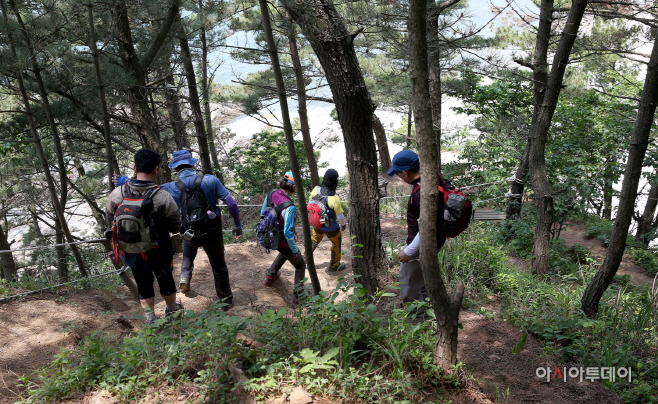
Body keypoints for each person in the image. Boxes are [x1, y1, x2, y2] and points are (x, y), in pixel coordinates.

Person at [114, 150, 242, 310]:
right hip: (212, 233)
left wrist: (126, 181)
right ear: (193, 164)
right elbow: (232, 204)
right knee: (219, 267)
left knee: (188, 253)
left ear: (175, 169)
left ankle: (185, 280)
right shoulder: (211, 180)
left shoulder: (168, 188)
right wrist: (237, 224)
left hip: (189, 233)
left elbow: (144, 190)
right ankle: (226, 303)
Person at [105, 149, 183, 324]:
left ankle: (150, 318)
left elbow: (110, 219)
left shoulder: (118, 193)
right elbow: (175, 225)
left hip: (131, 249)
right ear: (156, 169)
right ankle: (172, 311)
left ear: (134, 167)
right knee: (165, 278)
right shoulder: (162, 196)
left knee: (143, 282)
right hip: (159, 247)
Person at [387, 150, 446, 306]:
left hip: (423, 241)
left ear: (405, 173)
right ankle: (427, 302)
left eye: (398, 174)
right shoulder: (434, 177)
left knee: (407, 277)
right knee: (421, 273)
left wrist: (409, 251)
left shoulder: (422, 194)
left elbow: (428, 226)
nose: (399, 177)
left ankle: (414, 310)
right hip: (435, 238)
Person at [261, 172, 306, 305]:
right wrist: (295, 249)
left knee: (284, 253)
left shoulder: (271, 194)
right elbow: (287, 233)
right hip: (284, 241)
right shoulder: (290, 207)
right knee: (300, 266)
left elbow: (263, 213)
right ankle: (297, 298)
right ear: (293, 187)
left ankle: (270, 276)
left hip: (271, 237)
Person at [308, 169, 347, 271]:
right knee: (336, 243)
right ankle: (334, 265)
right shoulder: (334, 198)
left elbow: (310, 203)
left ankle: (304, 258)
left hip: (316, 223)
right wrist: (343, 225)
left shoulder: (316, 189)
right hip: (330, 227)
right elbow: (340, 217)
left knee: (315, 239)